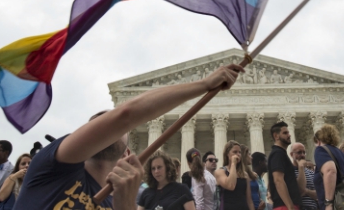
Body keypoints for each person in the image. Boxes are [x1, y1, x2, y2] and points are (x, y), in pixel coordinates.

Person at [16, 63, 241, 210]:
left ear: (127, 153)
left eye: (113, 128)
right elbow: (125, 115)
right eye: (99, 124)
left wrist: (124, 206)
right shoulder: (53, 166)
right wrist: (203, 85)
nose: (106, 127)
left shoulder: (121, 202)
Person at [267, 122, 301, 210]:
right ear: (276, 136)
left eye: (288, 132)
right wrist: (290, 206)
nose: (289, 135)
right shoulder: (277, 153)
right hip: (284, 206)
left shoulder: (281, 153)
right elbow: (278, 180)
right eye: (285, 133)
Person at [215, 140, 254, 210]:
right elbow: (231, 186)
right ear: (227, 154)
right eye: (235, 152)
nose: (238, 154)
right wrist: (233, 164)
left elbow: (249, 200)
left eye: (239, 152)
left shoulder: (244, 175)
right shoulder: (220, 172)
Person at [290, 142, 317, 210]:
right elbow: (300, 190)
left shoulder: (311, 173)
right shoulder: (289, 172)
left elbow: (318, 194)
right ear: (291, 154)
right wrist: (301, 168)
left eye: (304, 152)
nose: (302, 155)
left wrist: (306, 191)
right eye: (299, 152)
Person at [242, 145, 263, 210]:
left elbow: (257, 192)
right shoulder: (240, 175)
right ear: (244, 156)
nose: (251, 157)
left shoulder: (253, 174)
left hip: (258, 207)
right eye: (249, 154)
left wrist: (261, 201)